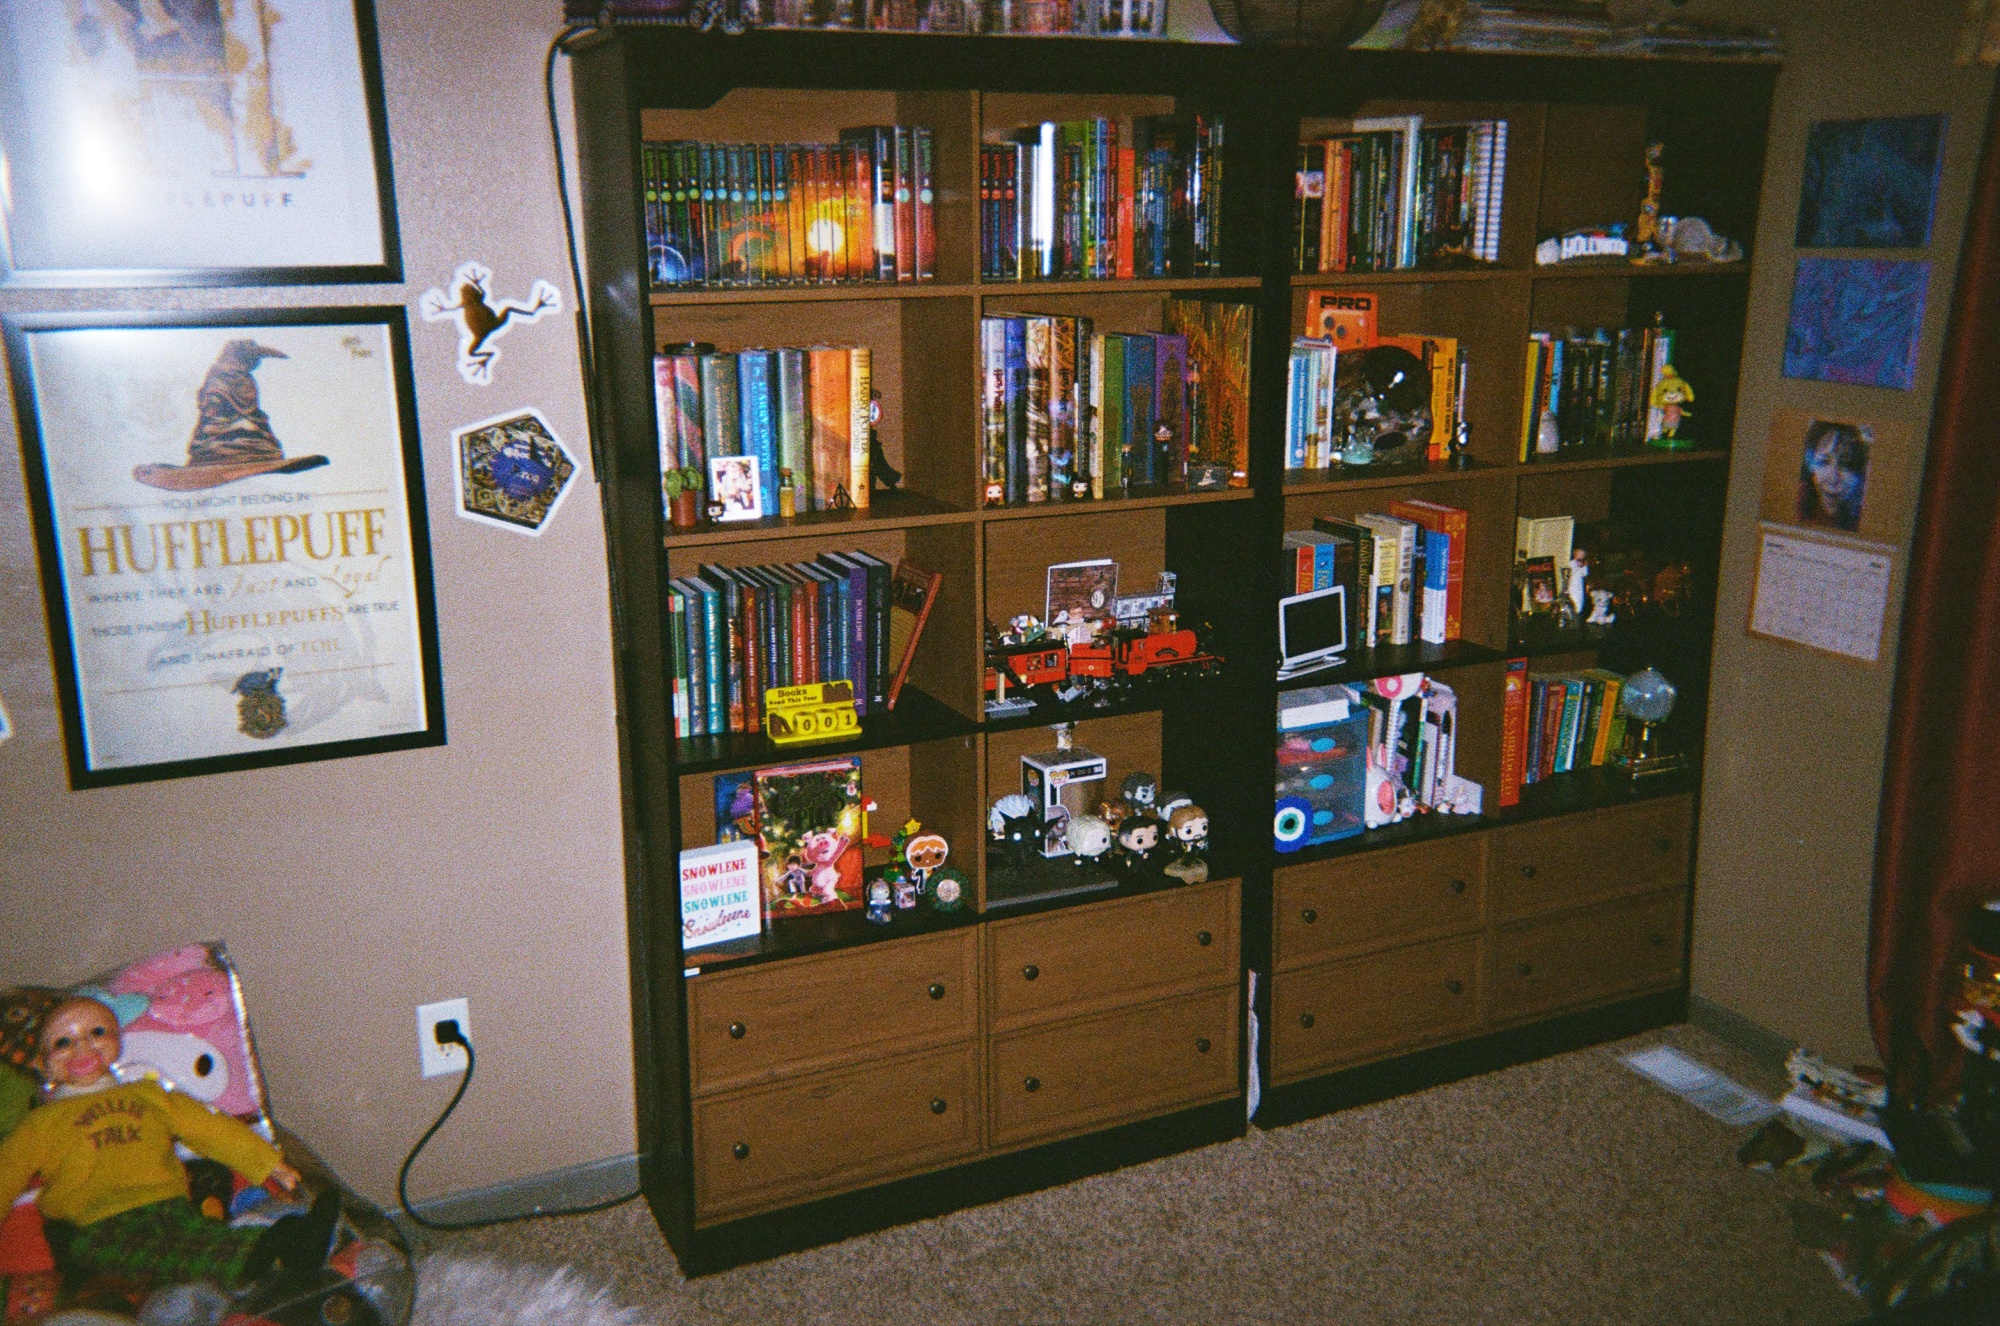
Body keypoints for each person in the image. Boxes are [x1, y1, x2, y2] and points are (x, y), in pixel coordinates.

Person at [0, 997, 339, 1294]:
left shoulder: (147, 1095)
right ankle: (275, 1247)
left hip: (167, 1204)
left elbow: (208, 1127)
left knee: (198, 1237)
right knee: (132, 1252)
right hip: (95, 1223)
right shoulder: (41, 1123)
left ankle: (288, 1244)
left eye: (97, 1032)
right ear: (43, 1064)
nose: (82, 1046)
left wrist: (268, 1162)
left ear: (117, 1041)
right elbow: (8, 1170)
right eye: (63, 1041)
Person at [1797, 420, 1867, 532]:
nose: (1834, 479)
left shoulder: (1866, 513)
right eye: (1823, 462)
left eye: (1845, 464)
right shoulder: (1798, 499)